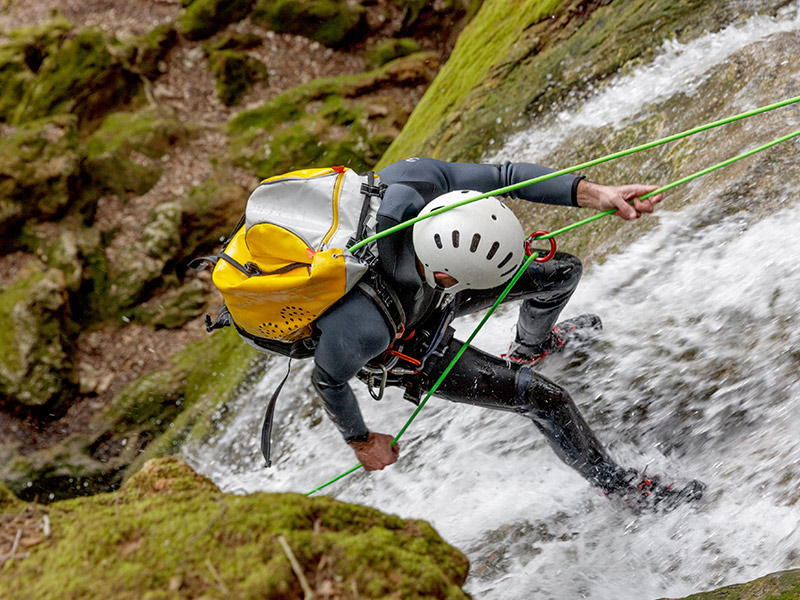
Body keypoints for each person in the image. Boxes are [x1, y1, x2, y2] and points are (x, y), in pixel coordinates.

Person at [309, 157, 704, 511]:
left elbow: (506, 176)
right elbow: (328, 380)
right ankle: (619, 488)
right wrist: (360, 440)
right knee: (548, 400)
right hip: (406, 342)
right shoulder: (362, 325)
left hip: (429, 284)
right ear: (449, 278)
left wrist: (596, 194)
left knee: (561, 272)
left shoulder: (418, 181)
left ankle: (531, 347)